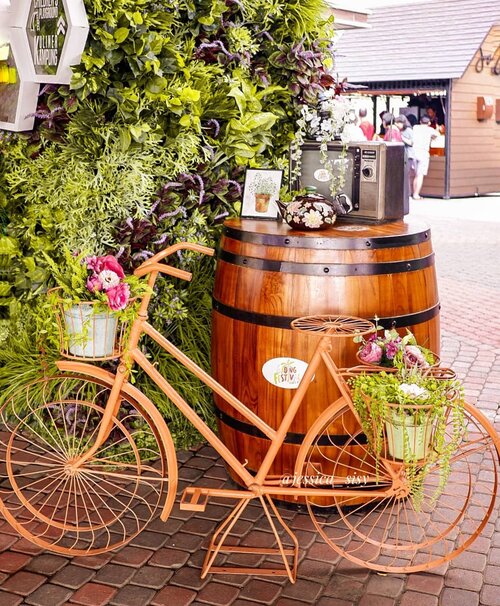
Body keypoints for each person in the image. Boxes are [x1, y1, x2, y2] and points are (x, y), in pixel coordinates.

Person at [412, 115, 438, 200]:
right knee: (420, 175)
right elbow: (437, 135)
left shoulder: (415, 127)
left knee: (415, 174)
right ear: (429, 123)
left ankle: (413, 193)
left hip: (414, 152)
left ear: (420, 121)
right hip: (423, 153)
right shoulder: (430, 130)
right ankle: (416, 194)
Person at [395, 114, 415, 206]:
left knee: (406, 176)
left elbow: (411, 142)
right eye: (397, 123)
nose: (398, 124)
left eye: (399, 122)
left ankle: (408, 194)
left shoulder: (409, 131)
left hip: (408, 156)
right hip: (401, 156)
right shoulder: (398, 131)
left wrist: (401, 137)